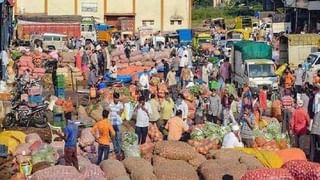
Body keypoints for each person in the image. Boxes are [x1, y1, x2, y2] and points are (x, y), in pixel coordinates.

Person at [310, 86, 320, 162]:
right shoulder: (316, 96)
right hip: (317, 130)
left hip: (314, 129)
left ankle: (312, 160)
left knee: (313, 147)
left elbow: (314, 110)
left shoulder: (316, 96)